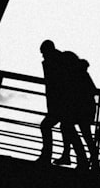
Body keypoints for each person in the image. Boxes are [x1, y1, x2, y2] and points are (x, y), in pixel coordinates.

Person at [37, 40, 88, 170]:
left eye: (43, 53)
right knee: (67, 129)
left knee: (49, 126)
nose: (43, 56)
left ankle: (47, 156)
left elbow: (56, 86)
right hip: (66, 104)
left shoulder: (55, 63)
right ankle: (80, 159)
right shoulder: (61, 60)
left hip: (62, 104)